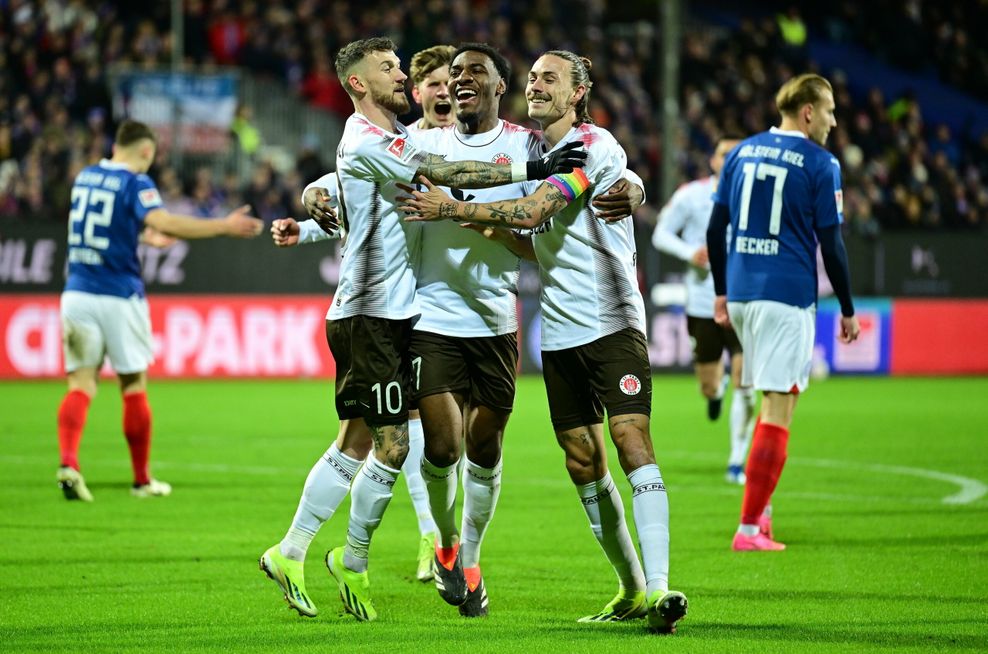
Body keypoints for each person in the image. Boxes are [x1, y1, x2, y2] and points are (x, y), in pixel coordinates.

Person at [258, 36, 586, 622]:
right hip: (375, 315)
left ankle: (310, 552)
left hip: (413, 318)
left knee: (366, 442)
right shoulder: (382, 141)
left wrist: (620, 184)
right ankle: (341, 557)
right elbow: (413, 172)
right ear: (358, 83)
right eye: (389, 68)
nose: (410, 82)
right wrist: (312, 200)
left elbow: (357, 197)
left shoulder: (393, 140)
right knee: (397, 444)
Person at [399, 50, 687, 635]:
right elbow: (537, 242)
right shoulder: (532, 152)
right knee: (582, 460)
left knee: (631, 440)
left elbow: (537, 207)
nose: (537, 86)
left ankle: (661, 588)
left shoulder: (592, 145)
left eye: (549, 79)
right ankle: (632, 588)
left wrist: (453, 207)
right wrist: (490, 227)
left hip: (612, 321)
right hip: (558, 331)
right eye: (532, 78)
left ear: (578, 92)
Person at [56, 119, 263, 502]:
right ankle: (141, 480)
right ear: (146, 151)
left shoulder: (86, 176)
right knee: (132, 386)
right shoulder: (136, 183)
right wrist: (222, 226)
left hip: (77, 292)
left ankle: (69, 463)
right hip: (118, 295)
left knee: (81, 385)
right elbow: (164, 220)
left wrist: (142, 235)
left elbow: (105, 224)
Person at [705, 73, 860, 551]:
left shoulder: (743, 151)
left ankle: (762, 511)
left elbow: (716, 228)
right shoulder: (821, 163)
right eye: (830, 111)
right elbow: (831, 244)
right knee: (779, 406)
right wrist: (849, 308)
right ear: (808, 110)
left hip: (745, 294)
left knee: (772, 400)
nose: (834, 122)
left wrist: (722, 292)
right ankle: (750, 527)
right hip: (787, 295)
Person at [651, 135, 757, 485]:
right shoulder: (692, 195)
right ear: (713, 161)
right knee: (709, 387)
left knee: (748, 385)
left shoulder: (756, 196)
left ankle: (736, 460)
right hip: (702, 301)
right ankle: (717, 388)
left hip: (744, 300)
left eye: (737, 157)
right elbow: (661, 234)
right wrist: (689, 253)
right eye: (725, 156)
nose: (730, 162)